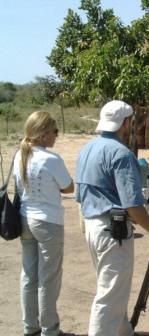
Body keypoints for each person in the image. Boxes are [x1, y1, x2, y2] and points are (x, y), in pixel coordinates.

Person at [75, 100, 149, 336]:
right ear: (126, 123)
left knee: (112, 289)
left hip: (92, 226)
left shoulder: (87, 149)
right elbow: (133, 206)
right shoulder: (121, 154)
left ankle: (123, 332)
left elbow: (80, 194)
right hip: (112, 231)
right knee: (109, 297)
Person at [13, 111, 74, 336]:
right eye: (55, 132)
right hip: (48, 221)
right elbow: (69, 187)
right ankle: (50, 329)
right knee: (48, 279)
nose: (57, 136)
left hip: (25, 218)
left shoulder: (20, 155)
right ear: (44, 134)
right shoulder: (50, 159)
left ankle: (31, 327)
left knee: (29, 276)